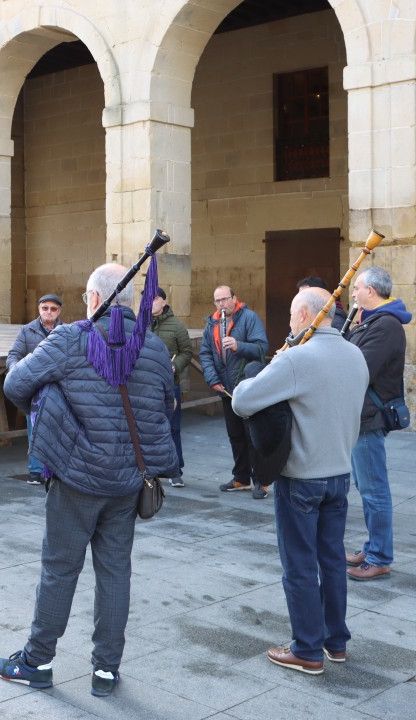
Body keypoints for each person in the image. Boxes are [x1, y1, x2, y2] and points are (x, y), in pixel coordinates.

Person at [0, 262, 176, 699]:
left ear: (95, 299)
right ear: (131, 304)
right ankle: (106, 671)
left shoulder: (72, 338)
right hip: (128, 480)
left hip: (76, 476)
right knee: (116, 572)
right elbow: (167, 403)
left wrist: (52, 402)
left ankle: (37, 661)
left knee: (59, 570)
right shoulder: (151, 346)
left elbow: (16, 384)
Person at [231, 287, 368, 675]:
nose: (290, 324)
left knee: (300, 566)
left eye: (292, 316)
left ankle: (307, 648)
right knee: (332, 560)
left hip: (302, 477)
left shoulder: (298, 359)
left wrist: (279, 361)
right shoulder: (354, 353)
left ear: (305, 316)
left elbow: (243, 400)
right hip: (339, 473)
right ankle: (335, 642)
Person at [344, 266, 411, 582]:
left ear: (371, 291)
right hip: (360, 414)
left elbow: (359, 366)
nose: (353, 293)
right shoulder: (370, 321)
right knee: (366, 486)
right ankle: (372, 548)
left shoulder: (386, 326)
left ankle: (380, 557)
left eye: (356, 288)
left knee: (374, 491)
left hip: (369, 416)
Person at [199, 285, 269, 497]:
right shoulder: (212, 322)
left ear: (234, 298)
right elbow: (205, 354)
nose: (221, 304)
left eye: (225, 299)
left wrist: (239, 346)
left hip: (246, 387)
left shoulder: (249, 318)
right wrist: (213, 380)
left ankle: (261, 481)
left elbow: (261, 348)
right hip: (225, 388)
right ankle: (241, 478)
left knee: (252, 436)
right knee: (235, 435)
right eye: (217, 300)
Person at [6, 294, 64, 485]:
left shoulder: (67, 331)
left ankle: (54, 470)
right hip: (34, 387)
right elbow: (14, 354)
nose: (49, 312)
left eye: (53, 309)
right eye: (45, 308)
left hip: (58, 387)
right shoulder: (27, 330)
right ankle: (35, 471)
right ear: (39, 309)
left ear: (59, 311)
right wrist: (16, 371)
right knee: (34, 430)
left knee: (58, 430)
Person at [150, 286, 192, 487]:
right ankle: (149, 469)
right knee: (147, 427)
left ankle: (176, 470)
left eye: (154, 299)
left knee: (173, 428)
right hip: (145, 386)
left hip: (169, 385)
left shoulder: (176, 325)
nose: (150, 302)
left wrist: (175, 366)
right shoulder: (140, 324)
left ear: (163, 302)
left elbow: (186, 351)